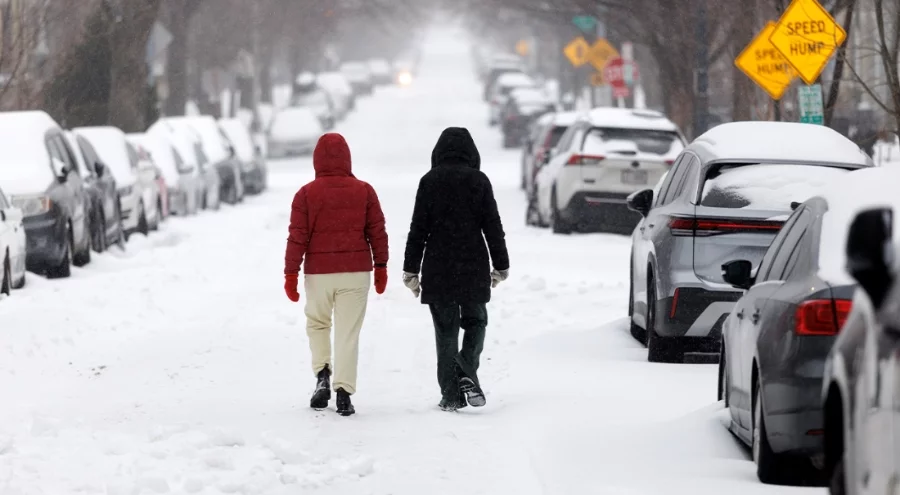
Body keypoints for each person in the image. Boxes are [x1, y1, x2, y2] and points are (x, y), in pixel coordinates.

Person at [402, 127, 510, 412]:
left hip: (437, 264)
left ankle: (450, 394)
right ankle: (466, 366)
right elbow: (493, 226)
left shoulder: (429, 181)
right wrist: (501, 264)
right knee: (476, 321)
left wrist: (410, 269)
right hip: (472, 262)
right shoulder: (479, 181)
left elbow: (418, 229)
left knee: (445, 330)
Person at [283, 132, 389, 417]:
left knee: (318, 323)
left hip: (319, 274)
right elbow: (377, 233)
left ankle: (322, 374)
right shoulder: (364, 191)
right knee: (348, 332)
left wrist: (291, 274)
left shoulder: (305, 195)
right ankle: (343, 392)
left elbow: (297, 238)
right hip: (356, 273)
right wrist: (381, 267)